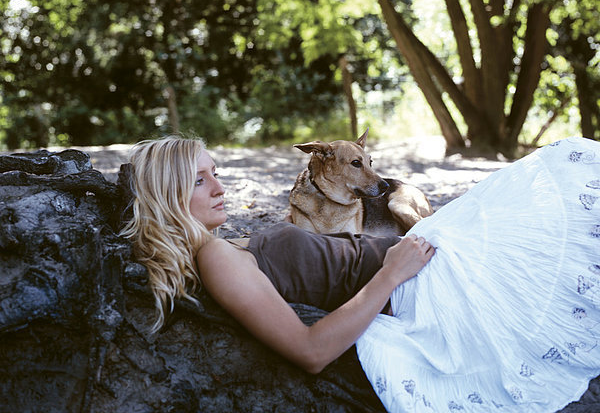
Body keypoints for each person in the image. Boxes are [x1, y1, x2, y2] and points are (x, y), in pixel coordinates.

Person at [121, 135, 600, 413]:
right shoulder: (217, 260)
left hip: (414, 262)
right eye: (199, 179)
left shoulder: (220, 249)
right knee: (567, 184)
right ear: (168, 193)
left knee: (563, 197)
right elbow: (312, 351)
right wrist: (391, 273)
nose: (220, 188)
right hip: (414, 278)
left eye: (216, 172)